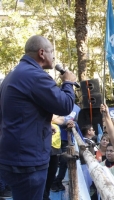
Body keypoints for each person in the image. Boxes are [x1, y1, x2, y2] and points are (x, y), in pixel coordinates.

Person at [0, 35, 76, 200]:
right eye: (51, 52)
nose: (54, 56)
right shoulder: (35, 76)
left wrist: (38, 125)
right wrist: (68, 83)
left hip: (14, 156)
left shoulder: (14, 73)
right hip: (28, 161)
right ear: (42, 53)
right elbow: (65, 105)